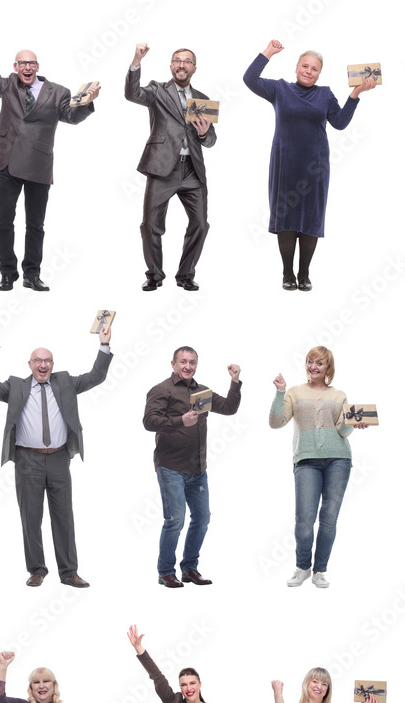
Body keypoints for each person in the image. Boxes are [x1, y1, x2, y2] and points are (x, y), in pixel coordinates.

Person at [0, 19, 100, 291]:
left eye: (32, 63)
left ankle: (31, 274)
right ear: (15, 67)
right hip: (8, 162)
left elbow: (71, 117)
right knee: (2, 220)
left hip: (38, 165)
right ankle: (7, 272)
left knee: (35, 225)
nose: (27, 67)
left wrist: (88, 101)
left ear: (38, 67)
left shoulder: (58, 92)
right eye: (22, 64)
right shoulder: (7, 85)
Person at [0, 327, 112, 587]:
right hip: (28, 461)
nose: (43, 364)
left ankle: (69, 572)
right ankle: (37, 569)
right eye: (38, 360)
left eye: (47, 360)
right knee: (31, 516)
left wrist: (104, 344)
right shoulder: (16, 386)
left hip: (60, 459)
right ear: (30, 364)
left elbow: (96, 376)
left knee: (64, 515)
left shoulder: (65, 382)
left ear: (53, 364)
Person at [244, 40, 376, 291]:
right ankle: (287, 273)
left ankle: (304, 273)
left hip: (314, 168)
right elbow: (249, 79)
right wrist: (268, 53)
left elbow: (339, 123)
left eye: (314, 69)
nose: (308, 71)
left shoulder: (325, 94)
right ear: (296, 68)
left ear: (319, 73)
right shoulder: (279, 89)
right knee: (285, 216)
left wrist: (355, 95)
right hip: (284, 165)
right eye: (304, 66)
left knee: (311, 218)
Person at [269, 347, 368, 589]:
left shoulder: (339, 395)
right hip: (306, 460)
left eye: (319, 363)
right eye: (310, 362)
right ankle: (303, 567)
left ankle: (319, 571)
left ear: (328, 369)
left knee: (329, 518)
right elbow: (276, 422)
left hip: (338, 459)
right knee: (304, 519)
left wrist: (354, 424)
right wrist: (280, 393)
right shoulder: (294, 392)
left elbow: (342, 430)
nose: (313, 367)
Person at [142, 346, 241, 587]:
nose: (188, 366)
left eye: (192, 362)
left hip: (197, 469)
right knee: (175, 520)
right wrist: (180, 420)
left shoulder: (202, 392)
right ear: (173, 364)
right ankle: (165, 572)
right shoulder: (162, 390)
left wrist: (235, 381)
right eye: (183, 362)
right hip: (170, 466)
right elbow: (149, 421)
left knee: (202, 518)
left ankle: (189, 568)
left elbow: (229, 408)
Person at [125, 44, 215, 292]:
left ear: (194, 68)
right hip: (162, 167)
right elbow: (132, 94)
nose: (181, 65)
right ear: (171, 66)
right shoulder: (157, 90)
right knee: (151, 225)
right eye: (177, 60)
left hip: (192, 170)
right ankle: (154, 274)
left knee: (200, 224)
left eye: (187, 61)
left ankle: (186, 274)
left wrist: (206, 134)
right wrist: (136, 61)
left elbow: (211, 140)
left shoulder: (202, 100)